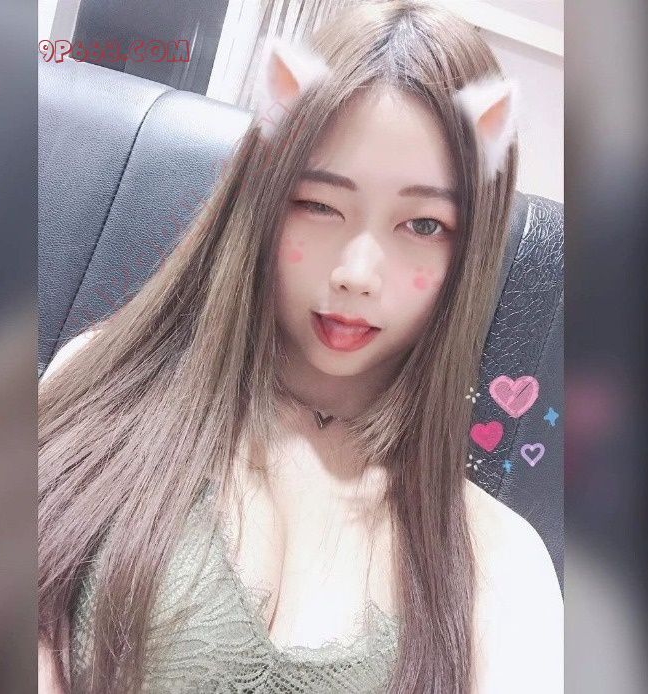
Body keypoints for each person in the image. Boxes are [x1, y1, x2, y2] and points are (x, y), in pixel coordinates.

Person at [38, 1, 563, 692]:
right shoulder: (105, 391)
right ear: (264, 196)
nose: (356, 273)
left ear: (470, 252)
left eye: (424, 225)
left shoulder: (499, 566)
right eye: (319, 204)